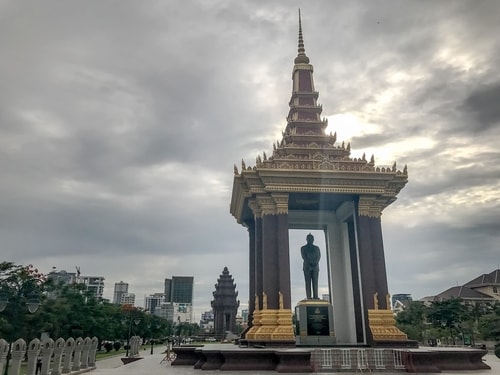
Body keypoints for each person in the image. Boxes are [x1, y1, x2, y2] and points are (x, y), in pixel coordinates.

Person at [301, 233, 321, 299]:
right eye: (309, 239)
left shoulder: (316, 248)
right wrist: (310, 263)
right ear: (306, 239)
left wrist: (315, 263)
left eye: (312, 239)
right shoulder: (303, 248)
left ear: (313, 240)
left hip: (315, 267)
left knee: (315, 282)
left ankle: (316, 296)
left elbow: (319, 256)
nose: (311, 240)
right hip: (307, 267)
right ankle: (308, 296)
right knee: (308, 282)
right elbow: (304, 257)